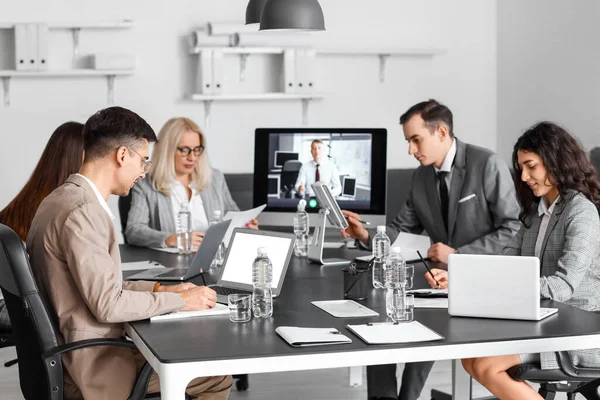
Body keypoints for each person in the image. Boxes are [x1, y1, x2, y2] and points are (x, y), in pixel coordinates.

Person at [26, 107, 232, 400]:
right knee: (214, 375)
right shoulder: (84, 212)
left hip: (72, 348)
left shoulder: (61, 198)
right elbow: (108, 305)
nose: (142, 172)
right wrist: (181, 300)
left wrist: (162, 288)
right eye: (143, 161)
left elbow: (100, 288)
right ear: (122, 155)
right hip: (91, 364)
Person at [341, 99, 521, 400]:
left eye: (415, 140)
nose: (411, 150)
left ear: (441, 132)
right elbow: (400, 229)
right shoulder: (421, 176)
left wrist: (459, 255)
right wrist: (364, 235)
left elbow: (513, 230)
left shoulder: (486, 164)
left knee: (421, 323)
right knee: (380, 312)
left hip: (484, 277)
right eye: (408, 142)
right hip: (437, 280)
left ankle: (406, 397)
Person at [425, 122, 600, 400]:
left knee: (486, 365)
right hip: (545, 324)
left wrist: (505, 287)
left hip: (580, 332)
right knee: (471, 359)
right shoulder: (535, 214)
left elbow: (563, 287)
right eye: (521, 168)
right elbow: (506, 263)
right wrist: (460, 279)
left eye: (531, 166)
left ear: (555, 161)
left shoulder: (582, 213)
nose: (524, 176)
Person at [0, 121, 85, 331]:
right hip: (18, 308)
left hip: (12, 302)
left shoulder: (29, 201)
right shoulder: (58, 208)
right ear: (78, 158)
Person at [126, 117, 257, 249]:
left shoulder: (215, 178)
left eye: (197, 149)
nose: (192, 157)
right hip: (173, 262)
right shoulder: (145, 185)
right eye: (184, 150)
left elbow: (233, 214)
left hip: (214, 257)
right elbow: (134, 230)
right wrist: (170, 239)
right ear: (167, 150)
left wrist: (244, 226)